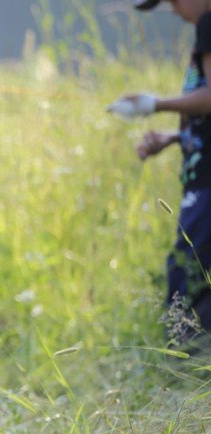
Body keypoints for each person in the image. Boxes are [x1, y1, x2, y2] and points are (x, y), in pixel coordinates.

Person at [109, 0, 211, 346]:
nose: (175, 9)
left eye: (175, 0)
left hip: (208, 183)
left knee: (189, 268)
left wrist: (155, 105)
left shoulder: (209, 23)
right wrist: (172, 137)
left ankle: (189, 364)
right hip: (202, 174)